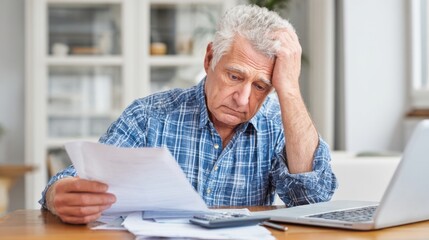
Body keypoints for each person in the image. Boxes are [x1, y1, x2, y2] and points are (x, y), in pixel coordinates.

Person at [39, 4, 337, 224]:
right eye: (234, 76)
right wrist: (59, 195)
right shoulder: (150, 116)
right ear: (209, 58)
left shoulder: (276, 124)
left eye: (260, 86)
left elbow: (312, 200)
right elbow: (71, 181)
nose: (243, 99)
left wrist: (290, 90)